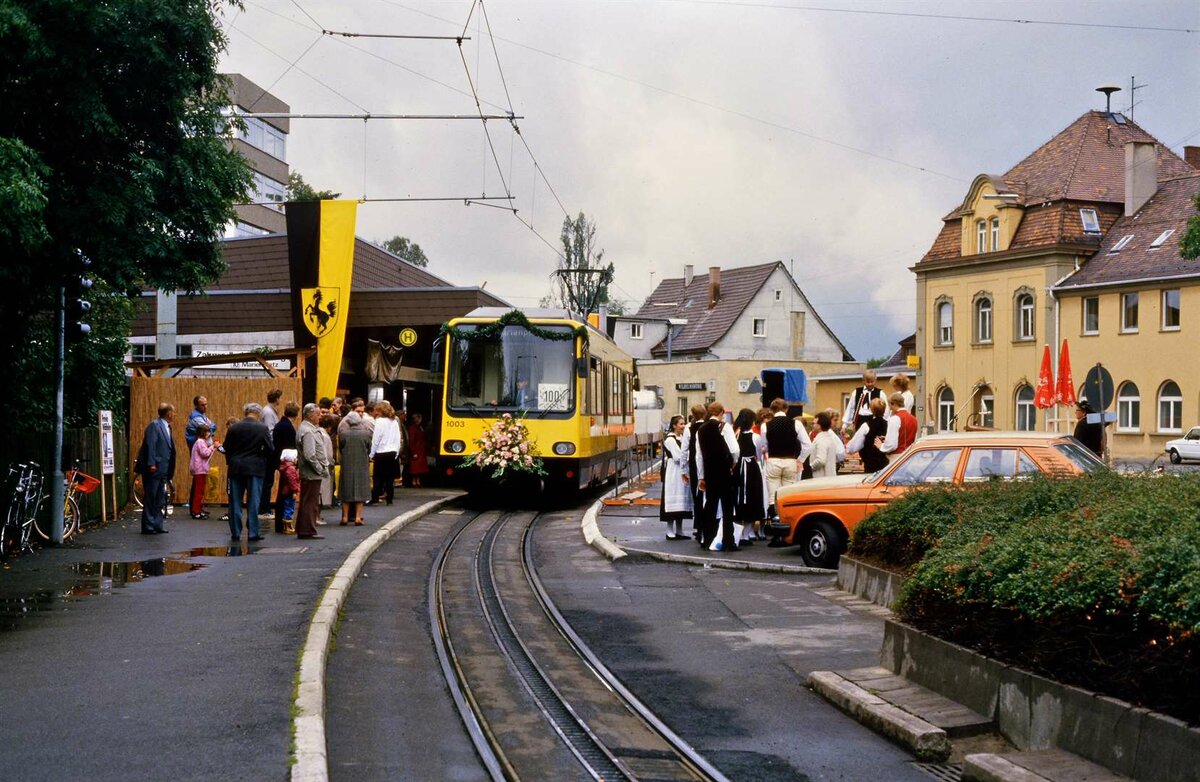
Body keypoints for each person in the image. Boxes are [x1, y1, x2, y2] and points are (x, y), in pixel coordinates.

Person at [222, 403, 272, 542]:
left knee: (235, 501)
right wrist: (261, 456)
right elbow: (270, 448)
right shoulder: (262, 428)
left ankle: (236, 532)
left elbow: (227, 448)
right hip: (255, 467)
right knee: (253, 501)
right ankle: (253, 532)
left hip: (236, 467)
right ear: (258, 413)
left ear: (245, 412)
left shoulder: (234, 428)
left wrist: (231, 460)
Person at [695, 401, 740, 551]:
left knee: (710, 505)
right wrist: (733, 463)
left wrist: (701, 476)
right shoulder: (724, 427)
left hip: (709, 471)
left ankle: (707, 539)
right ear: (721, 413)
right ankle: (728, 541)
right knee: (727, 507)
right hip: (724, 470)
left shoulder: (701, 429)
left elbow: (699, 456)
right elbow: (734, 449)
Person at [136, 402, 176, 534]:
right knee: (151, 496)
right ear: (169, 413)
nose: (174, 415)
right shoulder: (154, 426)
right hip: (155, 467)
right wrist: (151, 463)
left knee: (160, 497)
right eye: (173, 412)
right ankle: (148, 525)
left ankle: (158, 523)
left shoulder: (167, 427)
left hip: (164, 467)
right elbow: (151, 445)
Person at [763, 398, 813, 501]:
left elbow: (765, 446)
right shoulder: (796, 424)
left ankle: (773, 510)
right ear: (786, 409)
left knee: (773, 497)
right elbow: (808, 445)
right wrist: (800, 460)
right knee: (788, 496)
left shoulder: (765, 426)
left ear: (771, 410)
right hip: (790, 461)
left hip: (773, 460)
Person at [732, 409, 768, 544]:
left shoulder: (735, 434)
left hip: (738, 469)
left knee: (739, 498)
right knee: (752, 498)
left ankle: (739, 534)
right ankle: (746, 535)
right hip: (751, 469)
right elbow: (758, 454)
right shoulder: (755, 437)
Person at [296, 403, 328, 539]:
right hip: (311, 473)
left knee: (307, 500)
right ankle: (307, 530)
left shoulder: (305, 428)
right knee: (310, 502)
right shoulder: (308, 431)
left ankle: (303, 528)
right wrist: (320, 468)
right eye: (317, 414)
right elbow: (310, 455)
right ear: (310, 415)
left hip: (308, 472)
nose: (320, 417)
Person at [659, 415, 693, 540]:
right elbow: (678, 457)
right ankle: (669, 530)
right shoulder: (670, 439)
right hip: (673, 471)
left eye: (684, 423)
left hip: (682, 471)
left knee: (682, 502)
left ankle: (679, 530)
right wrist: (689, 455)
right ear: (674, 425)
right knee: (672, 499)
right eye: (681, 424)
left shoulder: (682, 438)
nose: (683, 426)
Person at [338, 411, 372, 526]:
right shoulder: (366, 433)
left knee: (346, 490)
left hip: (347, 464)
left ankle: (345, 517)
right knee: (360, 491)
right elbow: (369, 448)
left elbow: (341, 447)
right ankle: (358, 517)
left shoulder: (343, 434)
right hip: (361, 464)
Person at [682, 403, 708, 541]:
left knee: (696, 496)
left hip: (694, 465)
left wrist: (683, 469)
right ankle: (708, 525)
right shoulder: (709, 426)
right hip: (707, 464)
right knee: (707, 496)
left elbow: (684, 450)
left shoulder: (689, 428)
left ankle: (699, 527)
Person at [272, 402, 299, 531]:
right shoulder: (288, 428)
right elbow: (289, 447)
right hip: (287, 463)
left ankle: (281, 522)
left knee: (283, 492)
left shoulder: (280, 425)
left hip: (281, 462)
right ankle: (284, 522)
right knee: (287, 493)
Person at [369, 400, 403, 506]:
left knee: (377, 477)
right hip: (392, 452)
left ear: (381, 411)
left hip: (381, 451)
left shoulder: (379, 421)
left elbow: (376, 439)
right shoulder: (394, 421)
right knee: (389, 477)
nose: (376, 413)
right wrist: (397, 452)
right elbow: (398, 438)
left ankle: (375, 498)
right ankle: (390, 499)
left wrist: (371, 454)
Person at [847, 397, 891, 474]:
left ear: (871, 410)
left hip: (870, 465)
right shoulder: (889, 425)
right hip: (886, 465)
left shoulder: (866, 426)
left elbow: (854, 446)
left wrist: (848, 449)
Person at [259, 389, 283, 518]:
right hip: (269, 451)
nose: (281, 400)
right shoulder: (268, 412)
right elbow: (270, 431)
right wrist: (274, 448)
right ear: (277, 398)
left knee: (268, 480)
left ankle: (264, 508)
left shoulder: (269, 411)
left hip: (269, 450)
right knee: (267, 481)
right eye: (280, 398)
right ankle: (264, 509)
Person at [844, 369, 887, 435]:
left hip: (873, 420)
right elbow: (851, 408)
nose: (870, 384)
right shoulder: (856, 392)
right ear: (863, 381)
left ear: (875, 380)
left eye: (872, 382)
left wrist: (885, 424)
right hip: (859, 420)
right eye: (868, 382)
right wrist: (845, 425)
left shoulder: (880, 393)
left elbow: (886, 410)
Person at [880, 392, 920, 459]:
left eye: (890, 406)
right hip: (910, 456)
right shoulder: (914, 419)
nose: (890, 409)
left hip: (897, 457)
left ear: (893, 404)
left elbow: (891, 445)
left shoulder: (895, 418)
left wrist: (881, 446)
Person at [189, 422, 215, 519]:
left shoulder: (200, 442)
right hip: (200, 470)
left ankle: (199, 509)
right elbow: (205, 453)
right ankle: (196, 511)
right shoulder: (200, 442)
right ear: (203, 433)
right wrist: (213, 446)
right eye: (207, 432)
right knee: (199, 492)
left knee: (200, 491)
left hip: (200, 470)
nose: (209, 434)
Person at [808, 411, 842, 478]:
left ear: (819, 426)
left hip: (821, 478)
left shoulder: (822, 440)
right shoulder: (829, 438)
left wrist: (810, 467)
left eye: (814, 423)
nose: (812, 425)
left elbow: (821, 460)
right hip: (829, 477)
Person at [318, 414, 338, 513]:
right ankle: (317, 516)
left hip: (317, 466)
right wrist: (332, 463)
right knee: (321, 493)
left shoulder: (317, 433)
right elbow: (329, 455)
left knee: (318, 493)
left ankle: (316, 516)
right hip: (325, 467)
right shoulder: (326, 437)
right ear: (329, 426)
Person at [277, 448, 300, 531]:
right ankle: (288, 525)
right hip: (290, 491)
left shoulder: (286, 467)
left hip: (287, 490)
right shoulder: (291, 468)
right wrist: (295, 490)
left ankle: (287, 525)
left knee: (288, 506)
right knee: (290, 507)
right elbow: (292, 481)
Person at [406, 412, 429, 488]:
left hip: (421, 450)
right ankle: (414, 481)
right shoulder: (412, 428)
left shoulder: (420, 427)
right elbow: (411, 441)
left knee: (419, 468)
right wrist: (413, 452)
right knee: (415, 468)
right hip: (416, 450)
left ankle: (418, 481)